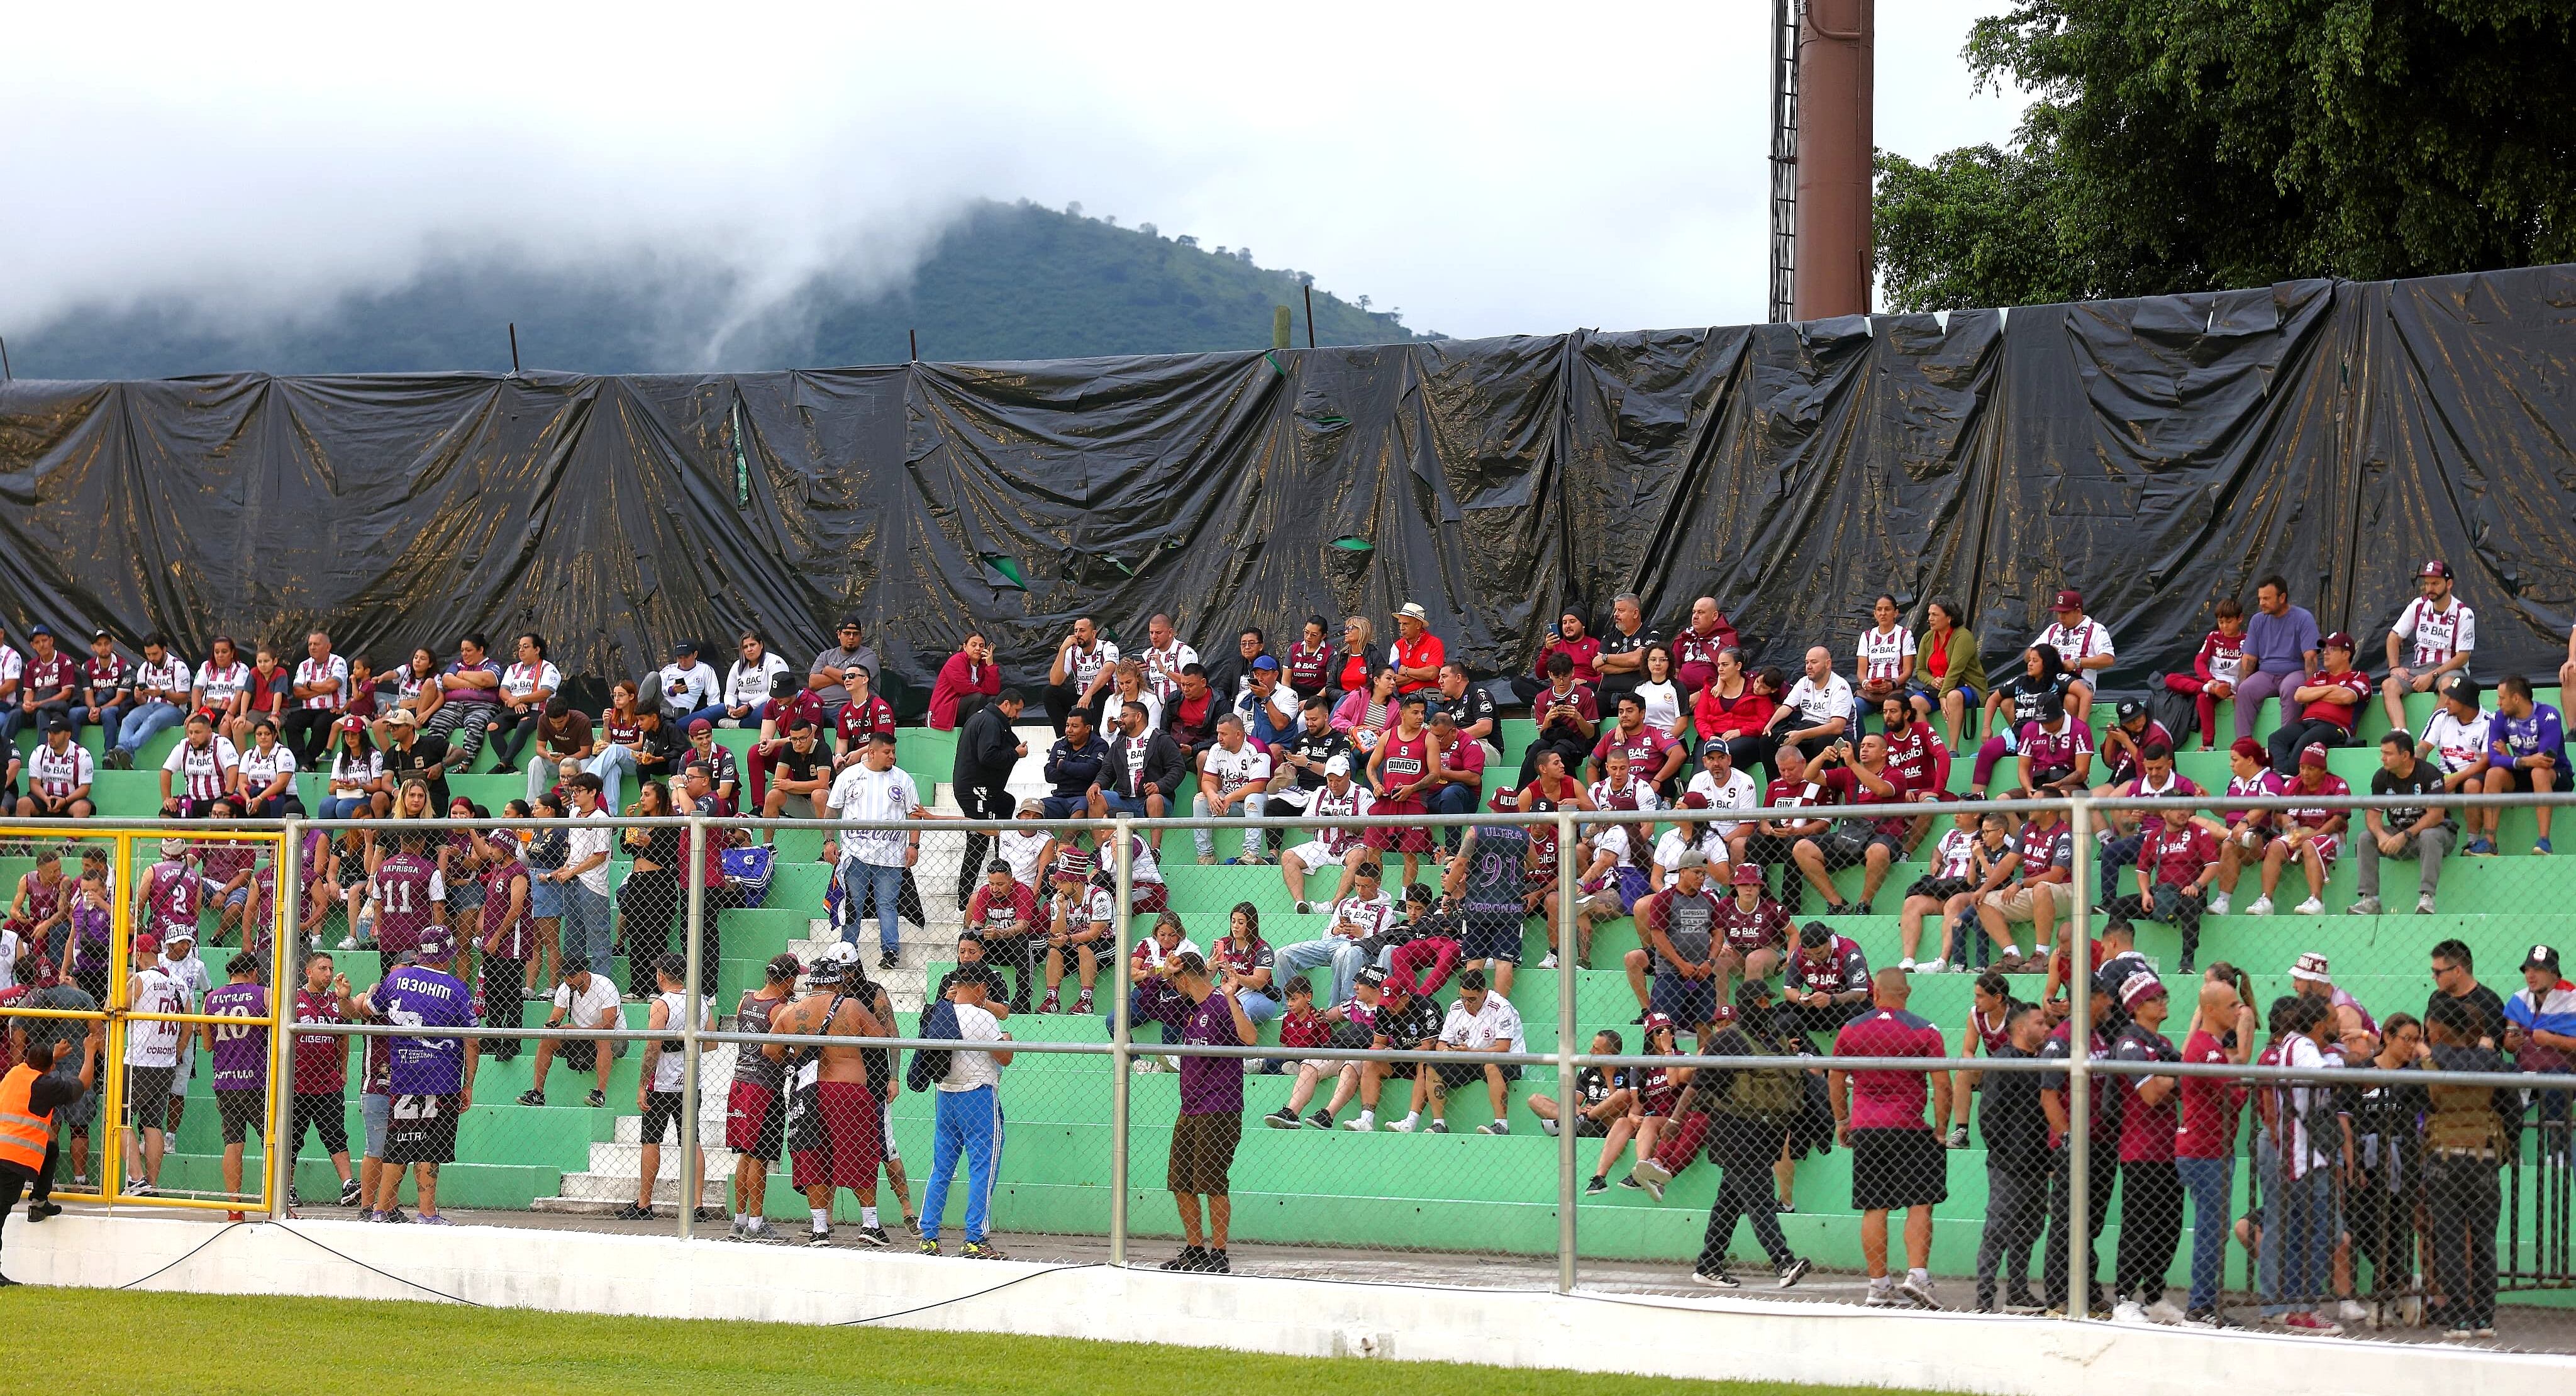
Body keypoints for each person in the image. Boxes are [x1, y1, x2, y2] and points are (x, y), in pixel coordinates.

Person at [1831, 968, 1951, 1308]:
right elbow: (1942, 1084)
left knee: (1874, 1206)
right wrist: (1941, 1129)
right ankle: (1917, 1275)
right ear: (1908, 991)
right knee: (1920, 1202)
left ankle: (1878, 1285)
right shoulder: (1925, 1030)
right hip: (1910, 1128)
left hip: (1867, 1128)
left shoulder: (1852, 1029)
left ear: (1874, 992)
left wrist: (1843, 1120)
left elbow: (1836, 1077)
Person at [760, 944, 893, 1248]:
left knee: (814, 1157)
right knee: (860, 1154)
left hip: (807, 1092)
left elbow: (770, 1050)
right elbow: (882, 1039)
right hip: (848, 1090)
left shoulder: (793, 1011)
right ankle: (870, 1224)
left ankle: (820, 1228)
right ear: (836, 981)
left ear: (812, 982)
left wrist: (796, 1056)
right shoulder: (851, 1006)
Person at [353, 930, 478, 1226]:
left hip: (403, 1075)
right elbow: (472, 1040)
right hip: (441, 1077)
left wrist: (370, 991)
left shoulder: (396, 980)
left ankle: (380, 1211)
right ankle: (426, 1212)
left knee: (398, 1145)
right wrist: (469, 1083)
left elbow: (369, 1008)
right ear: (447, 955)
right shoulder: (457, 988)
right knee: (431, 1147)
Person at [2418, 993, 2514, 1339]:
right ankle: (2485, 1318)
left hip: (2444, 1157)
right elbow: (2511, 1107)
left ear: (2440, 1029)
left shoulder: (2429, 1065)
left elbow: (2404, 1100)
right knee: (2484, 1238)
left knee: (2450, 1238)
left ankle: (2458, 1316)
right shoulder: (2492, 1063)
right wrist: (2506, 1150)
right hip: (2484, 1158)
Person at [1160, 951, 1256, 1272]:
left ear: (1186, 979)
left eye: (1176, 980)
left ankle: (1219, 1252)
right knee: (1181, 1180)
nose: (1175, 986)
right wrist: (1163, 972)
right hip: (1190, 1106)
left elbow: (1250, 1038)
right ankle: (1195, 1248)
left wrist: (1231, 997)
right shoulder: (1189, 1007)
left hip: (1220, 1106)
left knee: (1213, 1181)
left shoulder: (1220, 1003)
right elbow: (1148, 1006)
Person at [2102, 973, 2186, 1324]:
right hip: (2141, 1150)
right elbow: (2151, 1095)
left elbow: (2182, 1087)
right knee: (2139, 1224)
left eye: (2164, 996)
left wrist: (2166, 1075)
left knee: (2169, 1225)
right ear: (2136, 1007)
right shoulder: (2129, 1045)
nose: (2163, 1002)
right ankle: (2123, 1297)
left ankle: (2154, 1295)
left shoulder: (2162, 1044)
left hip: (2170, 1148)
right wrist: (2172, 1074)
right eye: (2155, 999)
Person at [2174, 977, 2255, 1327]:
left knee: (2213, 1229)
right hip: (2205, 1153)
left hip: (2208, 1150)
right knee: (2211, 1230)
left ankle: (2204, 1303)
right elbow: (2234, 1098)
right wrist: (2245, 1080)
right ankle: (2201, 1306)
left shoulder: (2211, 1047)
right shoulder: (2207, 1050)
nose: (2239, 1010)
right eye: (2231, 1006)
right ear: (2210, 1010)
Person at [827, 730, 935, 971]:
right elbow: (832, 809)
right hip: (855, 855)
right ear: (872, 752)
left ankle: (890, 952)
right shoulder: (850, 776)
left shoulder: (903, 779)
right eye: (887, 752)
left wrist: (913, 845)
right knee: (852, 904)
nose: (892, 757)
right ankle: (847, 952)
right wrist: (828, 841)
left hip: (891, 856)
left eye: (894, 752)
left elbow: (914, 813)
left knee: (887, 904)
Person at [615, 955, 711, 1224]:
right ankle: (697, 1204)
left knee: (651, 1139)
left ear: (661, 975)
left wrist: (642, 1084)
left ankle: (645, 1203)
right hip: (691, 1079)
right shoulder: (700, 1001)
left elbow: (653, 1046)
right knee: (692, 1140)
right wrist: (687, 1046)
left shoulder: (661, 1004)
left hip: (663, 1082)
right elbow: (712, 1040)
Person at [1972, 1000, 2053, 1312]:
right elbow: (1990, 1117)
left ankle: (2018, 1292)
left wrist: (2044, 1161)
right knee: (1998, 1229)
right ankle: (1984, 1297)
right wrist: (2007, 1156)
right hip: (2009, 1166)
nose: (2046, 1029)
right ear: (2020, 1028)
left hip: (2036, 1164)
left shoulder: (2044, 1061)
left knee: (2030, 1228)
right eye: (2040, 1024)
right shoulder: (2004, 1062)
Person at [0, 1033, 99, 1282]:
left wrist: (51, 1056)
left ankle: (39, 1199)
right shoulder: (45, 1086)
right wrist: (89, 1051)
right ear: (50, 1068)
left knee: (51, 1147)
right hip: (12, 1160)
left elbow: (38, 1066)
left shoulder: (15, 1073)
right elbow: (83, 1084)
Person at [723, 953, 801, 1241]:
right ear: (788, 980)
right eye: (795, 979)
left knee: (744, 1153)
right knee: (760, 1156)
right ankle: (755, 1224)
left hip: (740, 1081)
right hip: (765, 1087)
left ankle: (740, 1220)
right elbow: (783, 1048)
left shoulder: (746, 1001)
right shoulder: (779, 1009)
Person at [2344, 729, 2451, 916]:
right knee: (2366, 838)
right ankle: (2370, 900)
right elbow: (2373, 814)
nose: (2382, 758)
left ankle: (2427, 898)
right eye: (2382, 753)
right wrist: (2382, 835)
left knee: (2429, 834)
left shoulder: (2429, 774)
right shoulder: (2381, 777)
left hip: (2438, 834)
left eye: (2388, 754)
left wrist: (2405, 835)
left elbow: (2436, 816)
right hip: (2400, 835)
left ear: (2405, 756)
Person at [199, 951, 271, 1220]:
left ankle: (234, 1206)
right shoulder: (263, 994)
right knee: (272, 1141)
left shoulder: (211, 998)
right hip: (256, 1080)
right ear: (253, 972)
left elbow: (207, 1045)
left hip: (225, 1079)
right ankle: (278, 1202)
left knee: (232, 1143)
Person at [2113, 807, 2219, 973]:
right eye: (2176, 808)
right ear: (2163, 812)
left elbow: (2213, 866)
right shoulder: (2154, 836)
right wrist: (2145, 894)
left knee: (2190, 904)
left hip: (2189, 894)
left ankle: (2187, 962)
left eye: (2184, 808)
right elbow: (2142, 871)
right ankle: (2119, 958)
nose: (2183, 812)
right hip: (2161, 895)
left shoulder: (2200, 832)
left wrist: (2196, 886)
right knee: (2119, 906)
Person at [1417, 968, 1521, 1135]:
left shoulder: (1501, 1006)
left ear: (1484, 993)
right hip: (1467, 1060)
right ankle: (1439, 1124)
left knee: (1490, 1065)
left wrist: (1472, 1052)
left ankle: (1501, 1125)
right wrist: (1449, 1052)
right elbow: (1441, 1044)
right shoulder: (1456, 1008)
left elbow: (1503, 1048)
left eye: (1472, 999)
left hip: (1505, 1061)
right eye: (1463, 997)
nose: (1466, 1004)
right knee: (1432, 1066)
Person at [952, 688, 1029, 906]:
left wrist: (1015, 749)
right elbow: (988, 756)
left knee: (1007, 805)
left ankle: (1003, 875)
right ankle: (965, 898)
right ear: (1005, 704)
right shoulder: (989, 722)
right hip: (976, 790)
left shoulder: (992, 720)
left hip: (984, 789)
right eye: (1017, 710)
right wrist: (1016, 754)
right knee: (978, 839)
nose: (1018, 716)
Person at [2383, 559, 2475, 732]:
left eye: (2435, 583)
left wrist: (2432, 676)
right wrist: (2394, 667)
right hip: (2420, 668)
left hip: (2449, 669)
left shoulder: (2464, 613)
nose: (2429, 588)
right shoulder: (2419, 605)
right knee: (2389, 685)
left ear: (2449, 584)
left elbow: (2463, 656)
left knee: (2449, 685)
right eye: (2426, 584)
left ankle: (2429, 735)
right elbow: (2393, 637)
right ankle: (2401, 733)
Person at [1978, 802, 2072, 968]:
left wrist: (2021, 883)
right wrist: (1984, 888)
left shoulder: (2064, 834)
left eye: (2035, 803)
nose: (2029, 806)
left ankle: (2041, 956)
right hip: (2032, 891)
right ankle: (2013, 956)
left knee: (2041, 887)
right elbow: (2008, 862)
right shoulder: (2027, 828)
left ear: (2048, 809)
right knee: (1982, 901)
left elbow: (2056, 875)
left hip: (2064, 891)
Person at [1970, 647, 2074, 796]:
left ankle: (2035, 796)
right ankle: (1976, 799)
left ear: (2047, 663)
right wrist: (1987, 727)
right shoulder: (2020, 682)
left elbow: (2085, 693)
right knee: (1986, 751)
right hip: (2016, 735)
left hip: (2044, 736)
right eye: (2029, 660)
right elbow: (1993, 699)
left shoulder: (2057, 681)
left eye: (2035, 661)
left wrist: (2078, 726)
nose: (2029, 664)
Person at [1091, 699, 1189, 854]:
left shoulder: (1161, 739)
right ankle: (1100, 852)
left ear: (1138, 717)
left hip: (1153, 802)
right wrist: (1097, 784)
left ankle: (1155, 851)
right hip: (1124, 800)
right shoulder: (1119, 743)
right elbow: (1107, 771)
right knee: (1096, 796)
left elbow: (1177, 769)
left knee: (1155, 798)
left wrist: (1159, 786)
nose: (1119, 720)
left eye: (1124, 716)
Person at [516, 964, 621, 1108]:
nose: (568, 981)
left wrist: (578, 1030)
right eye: (565, 977)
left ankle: (600, 1095)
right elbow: (555, 1017)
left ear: (584, 973)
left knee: (602, 1037)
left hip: (614, 1039)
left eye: (572, 977)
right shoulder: (565, 988)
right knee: (547, 1040)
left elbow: (609, 1025)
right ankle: (537, 1094)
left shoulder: (605, 986)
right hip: (579, 1037)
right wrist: (551, 1026)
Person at [2266, 631, 2368, 776]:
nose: (2325, 653)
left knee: (2305, 741)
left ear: (2346, 654)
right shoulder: (2319, 676)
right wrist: (2332, 688)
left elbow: (2345, 697)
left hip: (2335, 727)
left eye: (2331, 649)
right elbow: (2299, 695)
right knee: (2276, 738)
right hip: (2307, 722)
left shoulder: (2359, 677)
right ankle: (2286, 775)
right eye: (2325, 648)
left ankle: (2286, 777)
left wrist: (2314, 694)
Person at [2482, 673, 2563, 854]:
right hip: (2522, 774)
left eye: (2502, 698)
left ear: (2516, 698)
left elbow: (2545, 761)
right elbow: (2494, 759)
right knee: (2494, 773)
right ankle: (2489, 844)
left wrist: (2509, 757)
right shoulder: (2499, 719)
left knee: (2539, 773)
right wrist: (2523, 760)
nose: (2498, 703)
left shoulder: (2548, 715)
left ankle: (2544, 842)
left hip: (2555, 776)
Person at [2235, 575, 2321, 743]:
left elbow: (2310, 657)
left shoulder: (2303, 618)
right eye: (2260, 598)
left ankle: (2286, 742)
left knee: (2291, 688)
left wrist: (2311, 691)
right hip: (2266, 674)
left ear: (2282, 598)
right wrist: (2239, 687)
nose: (2261, 603)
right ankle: (2243, 746)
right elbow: (2249, 658)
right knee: (2245, 689)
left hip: (2295, 671)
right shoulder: (2257, 620)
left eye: (2266, 598)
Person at [1282, 756, 1373, 912]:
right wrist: (1320, 823)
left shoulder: (1363, 794)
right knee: (1287, 857)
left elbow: (1368, 829)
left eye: (1338, 780)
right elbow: (1305, 825)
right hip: (1322, 845)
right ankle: (1300, 903)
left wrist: (1341, 822)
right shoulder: (1320, 793)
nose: (1333, 784)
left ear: (1348, 775)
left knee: (1359, 856)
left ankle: (1334, 904)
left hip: (1352, 845)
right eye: (1330, 780)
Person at [2163, 598, 2249, 751]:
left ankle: (2208, 745)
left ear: (2240, 619)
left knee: (2203, 698)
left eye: (2229, 621)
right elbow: (2200, 662)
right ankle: (2207, 689)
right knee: (2170, 679)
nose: (2224, 626)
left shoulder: (2247, 640)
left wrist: (2240, 691)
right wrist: (2209, 681)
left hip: (2229, 686)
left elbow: (2251, 668)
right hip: (2210, 682)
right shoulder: (2213, 636)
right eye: (2221, 622)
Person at [1037, 852, 1115, 1014]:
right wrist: (1061, 911)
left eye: (1062, 881)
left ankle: (1086, 1001)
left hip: (1107, 944)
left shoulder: (1100, 896)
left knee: (1084, 946)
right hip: (1073, 943)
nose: (1057, 886)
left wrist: (1068, 939)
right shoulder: (1058, 899)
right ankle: (1052, 999)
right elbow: (1055, 934)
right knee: (1054, 950)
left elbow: (1094, 933)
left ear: (1077, 883)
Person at [1192, 715, 1272, 866]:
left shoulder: (1256, 748)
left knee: (1252, 799)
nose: (1219, 738)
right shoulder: (1216, 750)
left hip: (1262, 802)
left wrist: (1229, 798)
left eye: (1224, 734)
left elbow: (1258, 786)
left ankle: (1251, 853)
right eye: (1218, 733)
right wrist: (1212, 795)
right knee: (1200, 799)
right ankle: (1206, 856)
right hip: (1231, 802)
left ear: (1239, 734)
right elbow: (1208, 780)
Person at [1908, 598, 1986, 750]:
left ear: (1949, 618)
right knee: (1913, 703)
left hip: (1967, 686)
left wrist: (1943, 696)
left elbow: (1955, 671)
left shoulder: (1963, 637)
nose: (1930, 619)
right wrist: (1932, 681)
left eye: (1935, 615)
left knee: (1953, 697)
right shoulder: (1927, 637)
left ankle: (1953, 749)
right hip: (1938, 689)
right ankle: (1934, 748)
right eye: (1929, 614)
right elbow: (1920, 671)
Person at [106, 634, 191, 771]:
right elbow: (142, 702)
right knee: (128, 720)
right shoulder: (145, 668)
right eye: (148, 654)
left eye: (155, 654)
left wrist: (163, 693)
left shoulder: (179, 667)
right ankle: (124, 755)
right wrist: (138, 696)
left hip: (174, 710)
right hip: (150, 705)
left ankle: (123, 749)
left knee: (153, 719)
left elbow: (184, 698)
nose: (152, 658)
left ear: (164, 649)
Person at [1780, 920, 1872, 1041]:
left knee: (1859, 1011)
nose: (1814, 959)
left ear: (1829, 943)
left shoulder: (1849, 951)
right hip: (1820, 1005)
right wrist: (1801, 998)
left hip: (1850, 1004)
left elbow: (1860, 994)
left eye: (1819, 953)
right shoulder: (1799, 954)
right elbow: (1789, 990)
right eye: (1808, 955)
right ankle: (1800, 1051)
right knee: (1781, 1011)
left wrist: (1831, 999)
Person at [2035, 589, 2116, 718]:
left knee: (2071, 700)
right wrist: (2046, 654)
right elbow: (2029, 653)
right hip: (2051, 681)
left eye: (2065, 613)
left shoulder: (2096, 629)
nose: (2061, 617)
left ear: (2078, 612)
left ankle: (2074, 735)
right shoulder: (2053, 629)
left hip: (2079, 682)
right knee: (2009, 701)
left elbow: (2108, 659)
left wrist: (2077, 662)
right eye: (2059, 613)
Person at [1767, 646, 1854, 764]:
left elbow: (1837, 727)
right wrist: (1769, 725)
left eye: (1814, 662)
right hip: (1807, 727)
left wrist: (1802, 735)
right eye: (1807, 662)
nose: (1809, 666)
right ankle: (1777, 782)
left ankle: (1823, 781)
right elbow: (1787, 707)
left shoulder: (1840, 687)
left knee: (1823, 743)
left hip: (1837, 735)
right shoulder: (1804, 682)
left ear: (1828, 664)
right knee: (1768, 741)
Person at [486, 632, 560, 769]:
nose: (521, 650)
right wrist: (515, 701)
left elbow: (545, 693)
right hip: (514, 708)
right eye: (520, 647)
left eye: (526, 647)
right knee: (492, 727)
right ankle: (510, 768)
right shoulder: (513, 668)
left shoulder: (547, 668)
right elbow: (503, 691)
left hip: (537, 711)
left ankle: (503, 764)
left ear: (537, 650)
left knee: (524, 724)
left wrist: (519, 699)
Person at [1044, 616, 1120, 735]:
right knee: (1049, 692)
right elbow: (1055, 681)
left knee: (1101, 691)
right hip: (1082, 701)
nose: (1078, 634)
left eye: (1082, 631)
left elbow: (1107, 671)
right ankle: (1064, 737)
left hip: (1105, 700)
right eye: (1076, 631)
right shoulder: (1072, 651)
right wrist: (1063, 649)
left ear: (1094, 633)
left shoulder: (1108, 647)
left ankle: (1097, 737)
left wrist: (1088, 694)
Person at [2428, 939, 2508, 1049]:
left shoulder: (2489, 1003)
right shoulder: (2437, 999)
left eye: (2438, 972)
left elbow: (2492, 1053)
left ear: (2457, 971)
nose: (2433, 977)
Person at [18, 715, 95, 820]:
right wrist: (46, 799)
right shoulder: (39, 752)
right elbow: (34, 784)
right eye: (50, 732)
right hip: (44, 799)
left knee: (83, 807)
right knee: (23, 803)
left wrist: (65, 801)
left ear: (68, 735)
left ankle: (72, 837)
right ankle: (23, 837)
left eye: (56, 733)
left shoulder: (82, 755)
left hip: (70, 800)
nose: (51, 736)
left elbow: (85, 788)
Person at [1853, 594, 1918, 718]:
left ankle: (1890, 738)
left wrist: (1892, 684)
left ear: (1896, 613)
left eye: (1887, 609)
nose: (1883, 613)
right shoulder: (1867, 636)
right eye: (1879, 609)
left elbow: (1908, 670)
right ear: (1875, 613)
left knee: (1893, 712)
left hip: (1895, 689)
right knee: (1855, 709)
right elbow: (1861, 672)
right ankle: (1861, 739)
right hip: (1870, 692)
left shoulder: (1905, 635)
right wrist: (1867, 684)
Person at [808, 618, 880, 725]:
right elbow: (813, 683)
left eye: (855, 634)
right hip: (820, 707)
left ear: (861, 637)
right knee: (803, 726)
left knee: (845, 725)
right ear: (839, 634)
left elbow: (858, 681)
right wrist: (844, 675)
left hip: (850, 706)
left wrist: (828, 670)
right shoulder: (825, 655)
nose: (851, 637)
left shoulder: (868, 655)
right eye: (847, 633)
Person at [72, 628, 133, 756]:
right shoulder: (87, 667)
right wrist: (93, 709)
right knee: (74, 713)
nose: (104, 647)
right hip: (96, 708)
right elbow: (88, 694)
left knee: (108, 713)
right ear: (93, 647)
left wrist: (100, 709)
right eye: (99, 644)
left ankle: (110, 756)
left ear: (112, 645)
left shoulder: (124, 665)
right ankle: (72, 754)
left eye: (106, 643)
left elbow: (120, 697)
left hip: (115, 709)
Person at [928, 632, 1002, 731]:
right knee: (978, 698)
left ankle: (986, 733)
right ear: (965, 647)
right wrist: (984, 693)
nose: (978, 649)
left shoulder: (983, 665)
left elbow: (993, 691)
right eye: (973, 645)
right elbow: (964, 689)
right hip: (946, 710)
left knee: (993, 700)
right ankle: (971, 732)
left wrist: (990, 666)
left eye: (981, 646)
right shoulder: (956, 660)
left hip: (966, 708)